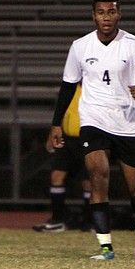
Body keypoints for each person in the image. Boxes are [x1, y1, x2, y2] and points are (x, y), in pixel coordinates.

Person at [49, 0, 135, 260]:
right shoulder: (80, 46)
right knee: (98, 175)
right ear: (93, 15)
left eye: (111, 12)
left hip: (126, 123)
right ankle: (106, 246)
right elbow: (67, 87)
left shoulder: (134, 45)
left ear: (119, 14)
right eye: (101, 12)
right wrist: (56, 124)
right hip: (93, 120)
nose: (106, 17)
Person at [34, 84, 93, 233]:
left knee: (88, 182)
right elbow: (61, 112)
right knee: (57, 176)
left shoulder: (94, 87)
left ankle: (90, 222)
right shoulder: (70, 88)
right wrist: (52, 134)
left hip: (87, 139)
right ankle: (57, 220)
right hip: (67, 140)